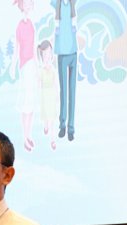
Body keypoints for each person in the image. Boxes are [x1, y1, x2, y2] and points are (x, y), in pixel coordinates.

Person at [11, 0, 38, 152]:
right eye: (27, 2)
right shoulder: (19, 25)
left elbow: (34, 47)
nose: (29, 5)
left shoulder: (32, 24)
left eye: (30, 3)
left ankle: (28, 135)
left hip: (32, 64)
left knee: (31, 101)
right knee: (26, 101)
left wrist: (37, 67)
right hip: (24, 65)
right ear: (22, 5)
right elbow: (17, 48)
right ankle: (24, 136)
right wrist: (12, 65)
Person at [54, 0, 77, 141]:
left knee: (72, 92)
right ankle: (62, 124)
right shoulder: (57, 4)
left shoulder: (73, 3)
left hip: (73, 52)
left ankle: (71, 128)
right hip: (62, 53)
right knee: (64, 91)